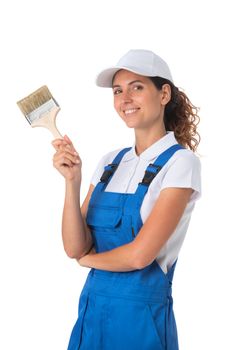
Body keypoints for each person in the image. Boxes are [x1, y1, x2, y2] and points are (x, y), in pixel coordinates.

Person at [52, 49, 202, 350]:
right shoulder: (110, 163)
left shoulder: (181, 163)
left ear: (163, 94)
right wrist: (73, 182)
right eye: (118, 91)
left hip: (141, 321)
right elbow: (74, 246)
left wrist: (88, 261)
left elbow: (139, 256)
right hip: (92, 312)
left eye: (137, 87)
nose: (125, 99)